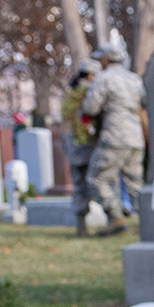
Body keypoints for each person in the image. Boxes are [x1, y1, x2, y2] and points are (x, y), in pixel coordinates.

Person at [80, 42, 148, 235]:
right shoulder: (135, 79)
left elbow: (91, 107)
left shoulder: (103, 78)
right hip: (135, 138)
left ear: (105, 59)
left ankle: (115, 215)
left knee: (96, 177)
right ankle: (149, 223)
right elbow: (143, 102)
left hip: (114, 136)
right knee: (135, 182)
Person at [62, 60, 100, 234]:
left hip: (73, 146)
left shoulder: (70, 94)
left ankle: (81, 226)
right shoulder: (90, 92)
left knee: (79, 185)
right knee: (99, 182)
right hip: (88, 144)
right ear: (91, 76)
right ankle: (113, 218)